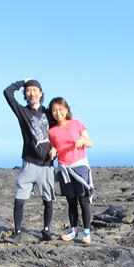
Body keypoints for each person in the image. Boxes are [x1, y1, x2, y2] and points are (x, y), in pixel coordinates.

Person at [3, 78, 55, 242]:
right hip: (29, 163)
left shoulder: (49, 113)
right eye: (28, 90)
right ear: (25, 94)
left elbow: (61, 129)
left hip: (47, 165)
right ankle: (17, 232)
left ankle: (46, 230)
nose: (31, 93)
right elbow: (7, 92)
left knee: (48, 199)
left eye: (35, 90)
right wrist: (21, 82)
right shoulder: (22, 112)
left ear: (41, 93)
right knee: (20, 198)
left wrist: (56, 148)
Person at [48, 97, 94, 244]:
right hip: (64, 169)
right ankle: (73, 230)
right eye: (54, 110)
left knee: (83, 199)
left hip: (80, 166)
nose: (57, 112)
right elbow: (53, 146)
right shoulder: (52, 131)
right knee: (71, 201)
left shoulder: (76, 123)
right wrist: (53, 150)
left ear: (66, 109)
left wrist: (82, 141)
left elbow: (90, 143)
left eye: (60, 109)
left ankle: (86, 232)